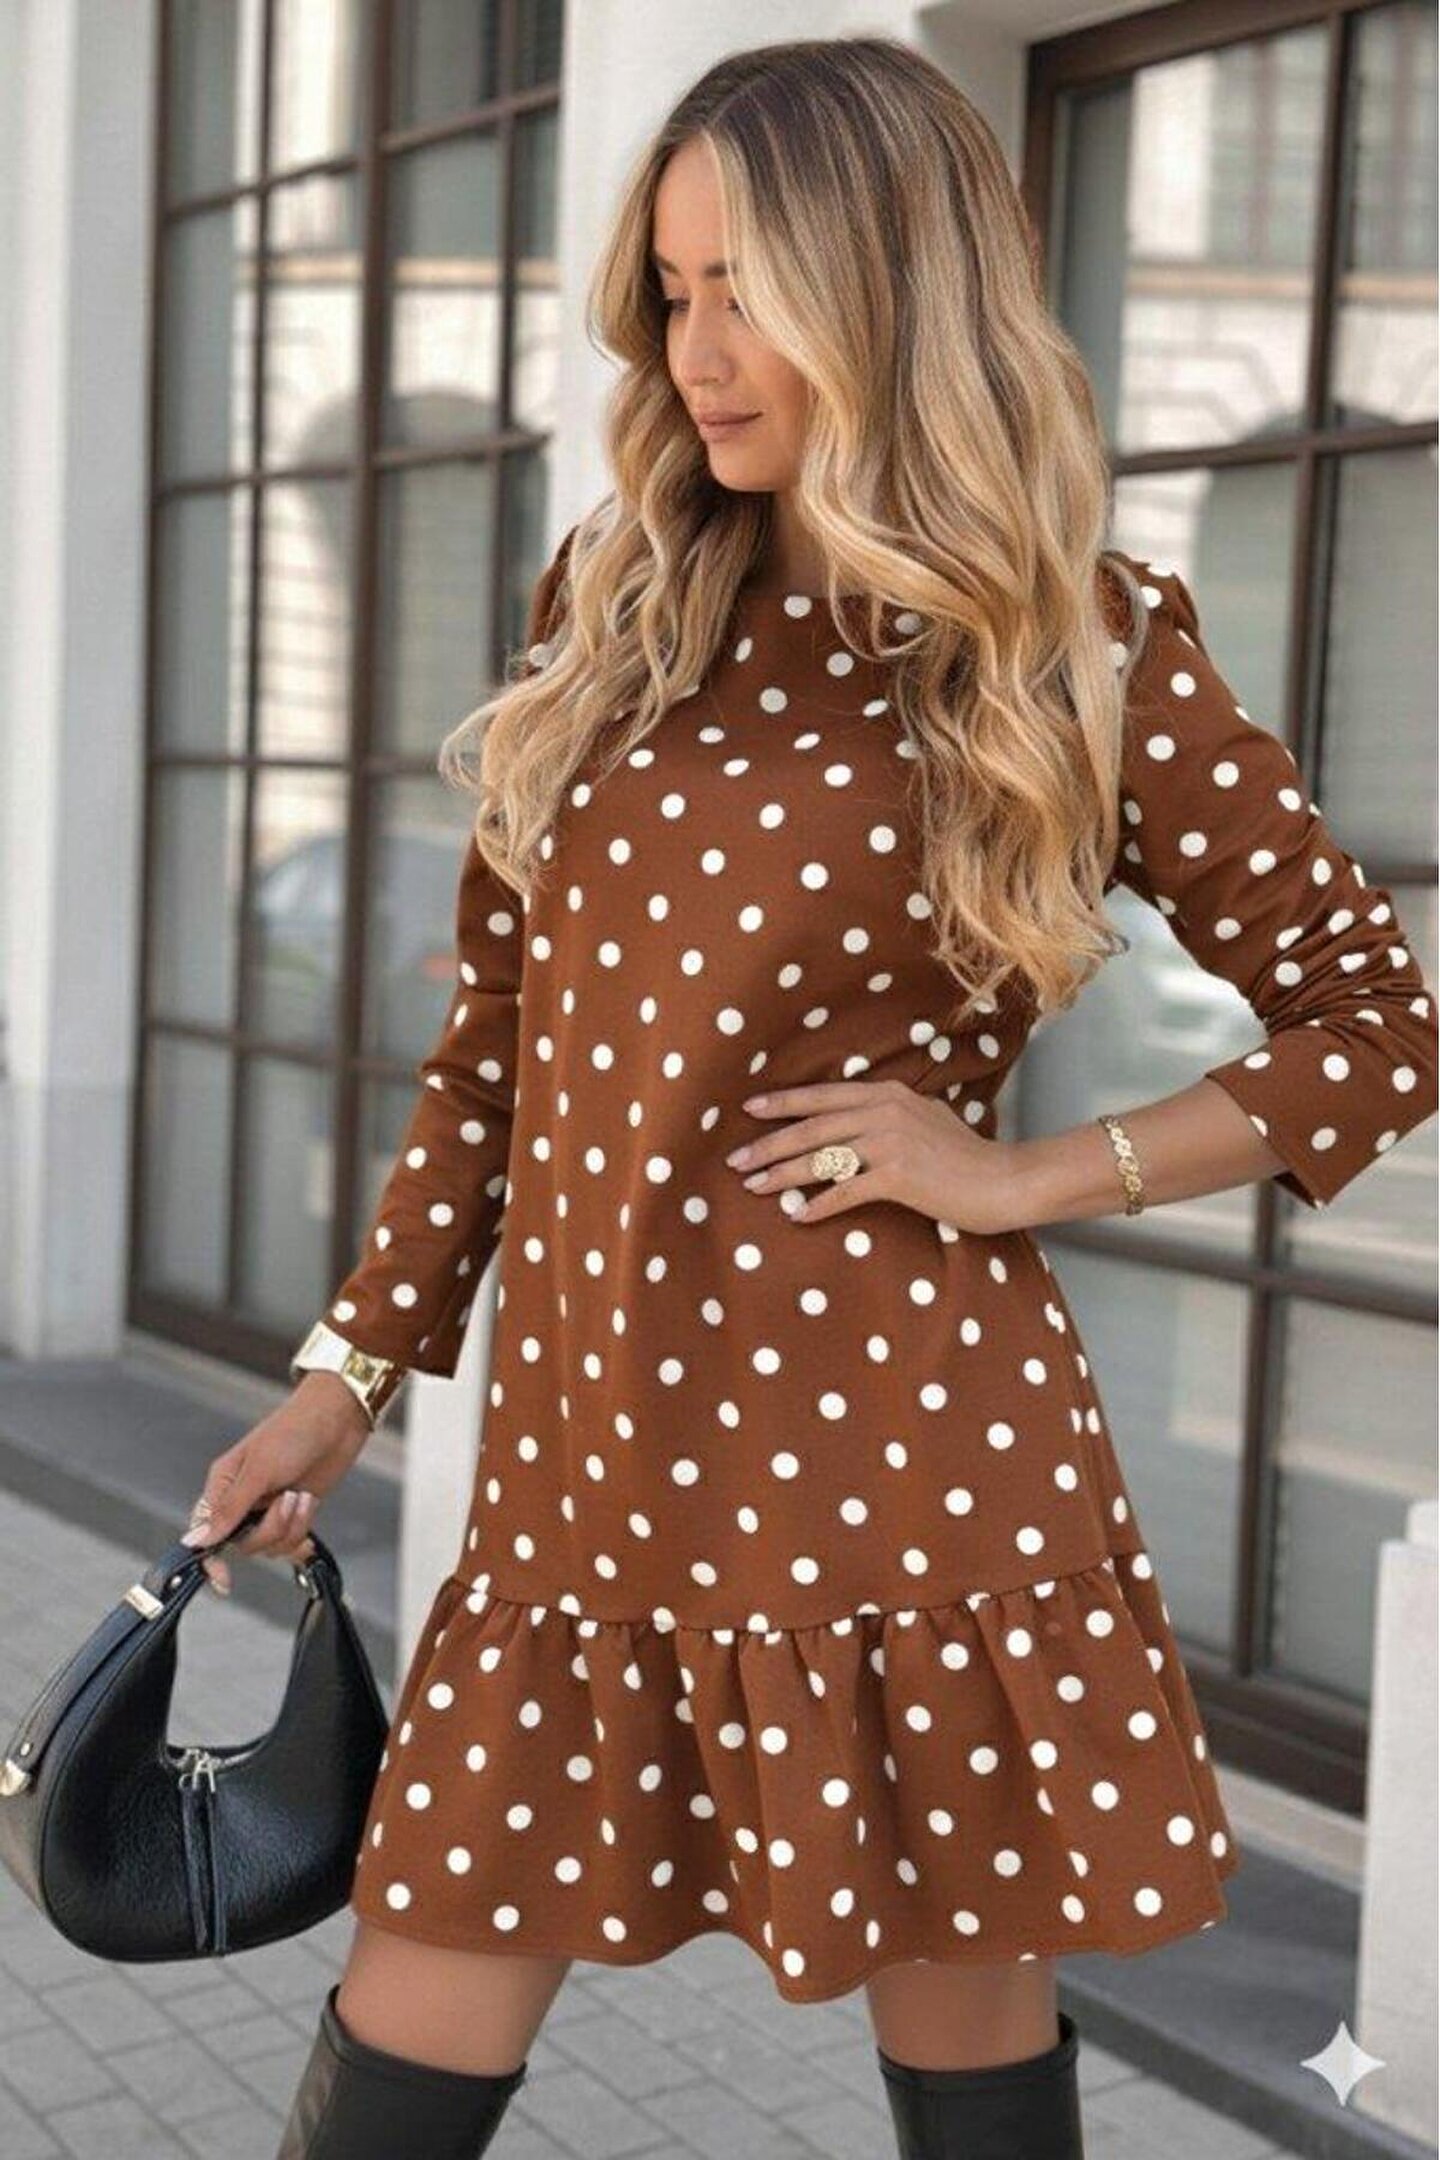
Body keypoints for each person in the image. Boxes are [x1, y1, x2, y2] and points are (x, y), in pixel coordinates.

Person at [180, 35, 1439, 2160]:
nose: (696, 353)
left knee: (969, 2078)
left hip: (909, 1481)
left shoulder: (1073, 640)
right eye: (672, 294)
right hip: (584, 1477)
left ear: (890, 293)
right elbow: (496, 1048)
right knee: (411, 2020)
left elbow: (1377, 1025)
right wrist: (345, 1375)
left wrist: (1029, 1173)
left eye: (747, 292)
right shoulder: (616, 598)